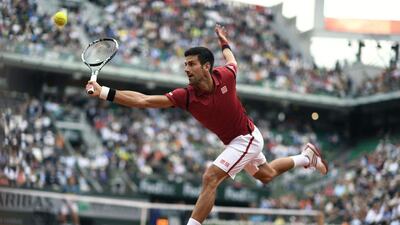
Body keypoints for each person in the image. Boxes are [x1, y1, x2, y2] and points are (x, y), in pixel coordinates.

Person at [86, 24, 328, 225]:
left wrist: (224, 43)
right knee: (267, 175)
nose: (186, 69)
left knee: (210, 177)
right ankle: (306, 157)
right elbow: (145, 100)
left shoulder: (227, 76)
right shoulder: (186, 95)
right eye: (185, 64)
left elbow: (232, 60)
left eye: (191, 64)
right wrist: (104, 92)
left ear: (206, 67)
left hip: (247, 138)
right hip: (239, 140)